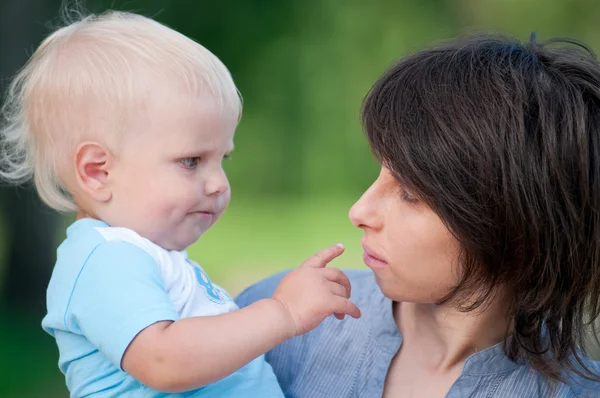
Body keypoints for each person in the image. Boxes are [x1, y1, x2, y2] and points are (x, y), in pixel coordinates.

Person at [0, 9, 360, 397]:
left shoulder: (144, 256)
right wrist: (283, 313)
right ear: (98, 172)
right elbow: (164, 361)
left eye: (223, 159)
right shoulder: (103, 260)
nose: (219, 184)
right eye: (191, 161)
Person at [236, 33, 600, 397]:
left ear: (517, 220)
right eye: (380, 172)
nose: (359, 211)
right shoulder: (276, 320)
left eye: (410, 193)